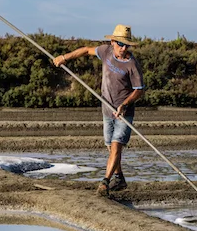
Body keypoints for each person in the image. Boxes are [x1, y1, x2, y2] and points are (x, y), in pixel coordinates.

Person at [54, 24, 144, 196]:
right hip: (107, 110)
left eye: (127, 45)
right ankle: (119, 177)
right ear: (112, 42)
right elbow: (86, 50)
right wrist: (64, 57)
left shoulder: (132, 64)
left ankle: (105, 182)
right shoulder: (105, 52)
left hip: (124, 114)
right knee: (110, 146)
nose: (123, 48)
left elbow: (139, 90)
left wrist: (125, 104)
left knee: (116, 146)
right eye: (120, 44)